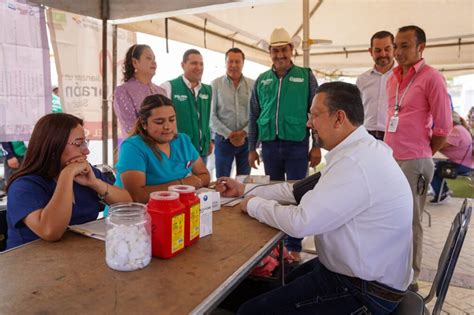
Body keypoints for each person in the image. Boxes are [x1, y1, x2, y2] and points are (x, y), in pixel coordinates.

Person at [217, 82, 413, 314]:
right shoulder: (361, 150)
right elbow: (296, 191)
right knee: (285, 279)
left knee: (250, 311)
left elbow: (300, 223)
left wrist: (253, 205)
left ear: (339, 118)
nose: (309, 123)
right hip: (359, 275)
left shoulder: (355, 163)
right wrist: (244, 190)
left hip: (365, 292)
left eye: (315, 115)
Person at [385, 25, 452, 291]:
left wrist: (422, 153)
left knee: (411, 220)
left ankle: (411, 279)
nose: (397, 52)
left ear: (420, 48)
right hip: (390, 160)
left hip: (415, 160)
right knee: (390, 218)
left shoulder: (432, 78)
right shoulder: (393, 78)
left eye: (404, 46)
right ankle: (391, 270)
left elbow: (444, 129)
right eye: (396, 46)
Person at [5, 113, 132, 249]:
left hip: (76, 255)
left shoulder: (85, 174)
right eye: (78, 143)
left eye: (85, 142)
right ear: (53, 146)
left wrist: (95, 183)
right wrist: (66, 175)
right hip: (29, 263)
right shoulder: (24, 186)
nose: (87, 150)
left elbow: (127, 205)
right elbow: (50, 231)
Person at [248, 27, 321, 258]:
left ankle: (294, 246)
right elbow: (253, 115)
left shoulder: (306, 75)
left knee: (297, 194)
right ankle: (276, 245)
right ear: (270, 52)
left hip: (297, 145)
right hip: (269, 146)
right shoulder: (262, 80)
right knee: (274, 195)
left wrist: (316, 145)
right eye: (275, 50)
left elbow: (316, 112)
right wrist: (251, 148)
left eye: (284, 50)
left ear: (291, 50)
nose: (280, 55)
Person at [115, 94, 210, 204]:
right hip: (132, 216)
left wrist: (190, 183)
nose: (167, 127)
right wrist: (182, 184)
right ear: (144, 124)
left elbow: (205, 176)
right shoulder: (133, 147)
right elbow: (137, 196)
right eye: (159, 122)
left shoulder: (182, 141)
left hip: (173, 210)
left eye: (172, 120)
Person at [161, 49, 213, 165]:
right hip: (178, 151)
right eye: (194, 63)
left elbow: (209, 119)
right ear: (183, 65)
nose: (198, 67)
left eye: (201, 64)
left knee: (201, 182)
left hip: (201, 152)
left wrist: (209, 140)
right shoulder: (169, 87)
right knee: (181, 183)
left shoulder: (208, 90)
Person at [211, 48, 254, 177]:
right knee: (222, 182)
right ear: (225, 63)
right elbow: (211, 116)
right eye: (230, 61)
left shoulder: (253, 85)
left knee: (244, 181)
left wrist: (244, 132)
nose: (234, 65)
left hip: (247, 140)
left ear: (243, 63)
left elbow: (258, 114)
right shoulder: (215, 84)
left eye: (237, 62)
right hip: (223, 141)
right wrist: (230, 134)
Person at [113, 44, 166, 136]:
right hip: (138, 147)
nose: (154, 62)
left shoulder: (161, 91)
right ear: (135, 62)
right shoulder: (123, 91)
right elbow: (131, 128)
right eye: (149, 58)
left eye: (154, 59)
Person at [356, 31, 395, 140]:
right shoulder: (362, 79)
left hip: (394, 135)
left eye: (387, 49)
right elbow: (356, 109)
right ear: (370, 51)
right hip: (366, 135)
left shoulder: (403, 77)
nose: (383, 54)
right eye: (378, 50)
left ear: (394, 49)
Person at [430, 111, 473, 203]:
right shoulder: (460, 129)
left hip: (461, 165)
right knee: (435, 165)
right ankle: (443, 190)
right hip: (463, 163)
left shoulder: (457, 130)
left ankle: (441, 194)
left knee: (431, 169)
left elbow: (441, 144)